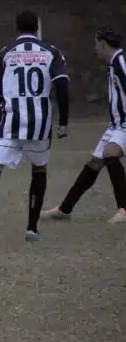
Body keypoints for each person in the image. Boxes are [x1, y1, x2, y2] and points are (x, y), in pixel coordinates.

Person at [0, 11, 70, 241]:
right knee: (39, 169)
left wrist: (7, 104)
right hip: (40, 121)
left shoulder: (6, 53)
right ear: (37, 27)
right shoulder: (51, 52)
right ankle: (32, 229)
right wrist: (63, 121)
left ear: (17, 28)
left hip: (11, 118)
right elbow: (62, 86)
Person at [41, 27, 126, 224]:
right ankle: (64, 210)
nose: (95, 49)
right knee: (94, 164)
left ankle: (124, 209)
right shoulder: (113, 63)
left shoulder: (120, 62)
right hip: (115, 125)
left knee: (110, 154)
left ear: (104, 44)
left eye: (97, 45)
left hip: (124, 124)